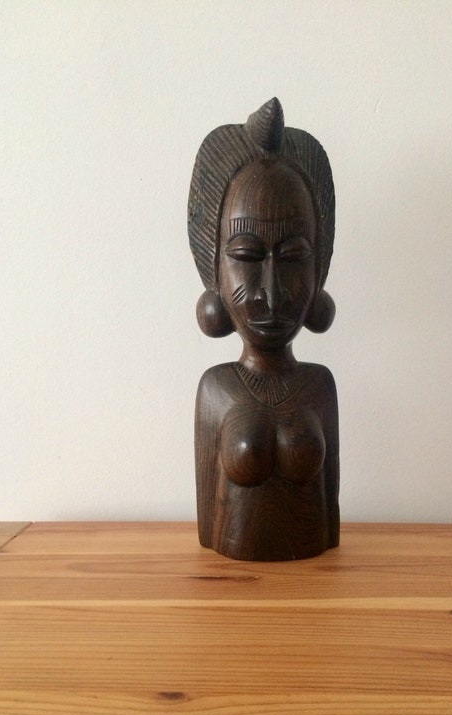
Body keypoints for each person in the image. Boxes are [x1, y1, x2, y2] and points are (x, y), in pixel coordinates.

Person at [188, 98, 339, 561]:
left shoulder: (319, 386)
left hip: (317, 580)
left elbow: (330, 513)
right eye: (247, 256)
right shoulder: (216, 389)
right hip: (231, 581)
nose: (271, 295)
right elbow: (207, 525)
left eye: (293, 256)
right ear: (215, 270)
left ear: (317, 268)